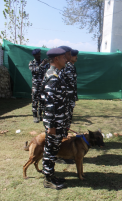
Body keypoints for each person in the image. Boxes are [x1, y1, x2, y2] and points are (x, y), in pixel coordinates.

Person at [42, 48, 68, 189]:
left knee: (53, 149)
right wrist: (51, 125)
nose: (66, 59)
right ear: (57, 59)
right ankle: (47, 180)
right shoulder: (53, 76)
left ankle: (51, 175)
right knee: (50, 150)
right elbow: (49, 102)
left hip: (57, 120)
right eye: (64, 57)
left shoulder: (56, 74)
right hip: (54, 122)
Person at [58, 46, 74, 135]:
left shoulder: (68, 67)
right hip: (61, 103)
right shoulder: (58, 70)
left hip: (68, 100)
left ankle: (64, 136)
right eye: (69, 54)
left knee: (67, 122)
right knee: (61, 125)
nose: (70, 56)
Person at [28, 49, 48, 123]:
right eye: (37, 54)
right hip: (35, 85)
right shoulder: (31, 63)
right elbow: (35, 71)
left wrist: (48, 62)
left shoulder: (43, 62)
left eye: (39, 54)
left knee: (42, 101)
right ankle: (35, 116)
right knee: (35, 101)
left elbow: (49, 68)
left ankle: (40, 115)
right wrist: (42, 64)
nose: (39, 55)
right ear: (34, 55)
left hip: (43, 85)